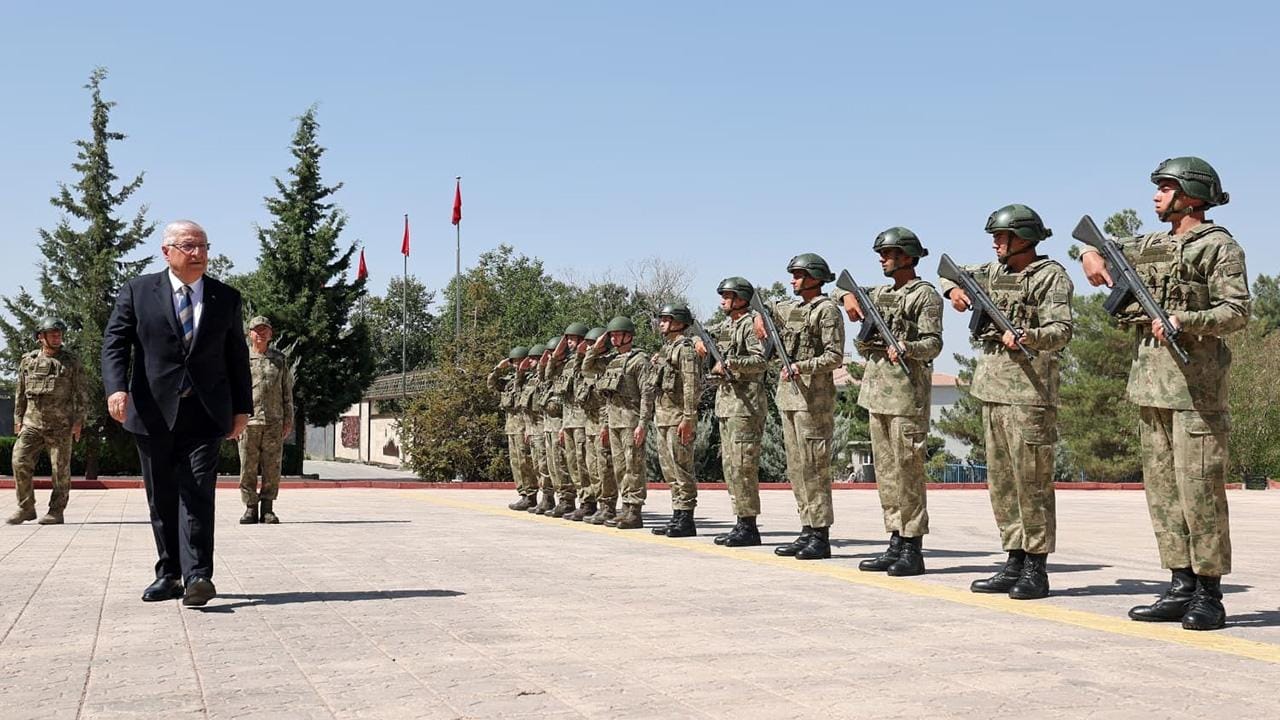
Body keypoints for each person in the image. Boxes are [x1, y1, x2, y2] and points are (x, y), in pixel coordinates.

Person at [1081, 157, 1250, 631]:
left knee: (1199, 492)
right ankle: (1180, 585)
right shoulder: (1151, 244)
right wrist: (1089, 257)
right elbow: (1097, 250)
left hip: (1196, 390)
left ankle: (1210, 594)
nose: (1156, 195)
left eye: (1166, 187)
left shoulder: (1219, 247)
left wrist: (1185, 320)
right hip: (1150, 385)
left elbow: (1237, 310)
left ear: (1191, 196)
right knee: (1162, 494)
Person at [102, 220, 252, 607]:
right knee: (162, 496)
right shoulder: (138, 291)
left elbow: (237, 357)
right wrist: (116, 388)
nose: (198, 253)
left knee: (198, 491)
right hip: (152, 411)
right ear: (167, 251)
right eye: (189, 246)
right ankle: (168, 574)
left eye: (203, 246)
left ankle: (199, 574)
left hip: (204, 413)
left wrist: (241, 409)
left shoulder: (226, 297)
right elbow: (115, 343)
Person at [940, 205, 1073, 600]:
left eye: (1003, 236)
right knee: (1001, 483)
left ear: (1025, 239)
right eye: (995, 237)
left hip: (1030, 395)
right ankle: (1013, 557)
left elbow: (1062, 330)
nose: (996, 242)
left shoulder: (1050, 277)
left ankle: (1036, 566)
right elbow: (946, 270)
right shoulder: (992, 273)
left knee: (1031, 482)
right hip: (992, 390)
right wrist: (955, 291)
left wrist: (1030, 336)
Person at [833, 228, 943, 576]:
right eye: (881, 253)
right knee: (887, 475)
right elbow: (841, 285)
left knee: (908, 473)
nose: (883, 258)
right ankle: (894, 540)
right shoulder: (879, 293)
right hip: (876, 395)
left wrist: (907, 347)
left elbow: (933, 343)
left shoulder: (924, 295)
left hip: (907, 396)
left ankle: (912, 546)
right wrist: (846, 298)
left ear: (908, 256)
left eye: (889, 252)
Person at [755, 254, 846, 560]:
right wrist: (759, 317)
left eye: (798, 275)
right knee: (796, 468)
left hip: (813, 401)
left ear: (814, 277)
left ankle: (820, 535)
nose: (792, 280)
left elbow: (835, 356)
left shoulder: (827, 310)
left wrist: (802, 366)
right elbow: (764, 306)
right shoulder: (792, 308)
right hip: (789, 398)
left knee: (814, 468)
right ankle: (806, 528)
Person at [695, 278, 767, 547]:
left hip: (746, 405)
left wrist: (729, 363)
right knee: (731, 467)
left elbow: (761, 361)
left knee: (743, 466)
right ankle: (740, 521)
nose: (722, 300)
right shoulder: (727, 325)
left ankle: (749, 525)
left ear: (741, 298)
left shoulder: (750, 324)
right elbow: (704, 333)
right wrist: (697, 341)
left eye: (727, 295)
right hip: (727, 405)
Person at [7, 317, 88, 525]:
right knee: (19, 460)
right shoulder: (28, 361)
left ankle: (56, 511)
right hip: (32, 423)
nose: (57, 336)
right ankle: (26, 507)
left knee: (60, 470)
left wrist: (78, 421)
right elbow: (20, 393)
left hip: (61, 426)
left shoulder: (71, 361)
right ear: (40, 337)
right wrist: (18, 419)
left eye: (59, 333)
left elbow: (82, 393)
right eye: (52, 333)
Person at [584, 316, 650, 529]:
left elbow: (647, 395)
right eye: (610, 335)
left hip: (631, 421)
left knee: (634, 466)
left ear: (628, 336)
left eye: (616, 334)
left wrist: (643, 423)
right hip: (613, 421)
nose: (612, 339)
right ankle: (625, 508)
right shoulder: (611, 361)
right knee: (620, 467)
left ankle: (634, 511)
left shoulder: (639, 361)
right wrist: (597, 345)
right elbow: (587, 367)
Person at [646, 304, 702, 538]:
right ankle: (677, 514)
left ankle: (686, 518)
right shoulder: (668, 349)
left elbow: (691, 385)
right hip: (664, 417)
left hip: (678, 417)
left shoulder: (685, 350)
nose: (661, 323)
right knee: (670, 470)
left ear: (679, 322)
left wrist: (689, 417)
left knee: (682, 469)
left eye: (667, 319)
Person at [237, 316, 294, 525]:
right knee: (247, 467)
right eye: (256, 330)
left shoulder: (279, 360)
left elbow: (286, 391)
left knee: (272, 467)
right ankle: (250, 508)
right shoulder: (242, 359)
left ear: (271, 334)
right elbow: (235, 390)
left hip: (273, 422)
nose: (260, 333)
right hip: (248, 422)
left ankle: (268, 508)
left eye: (265, 330)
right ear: (249, 334)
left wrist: (289, 419)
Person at [575, 327, 619, 524]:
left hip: (604, 419)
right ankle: (600, 505)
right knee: (593, 466)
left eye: (594, 343)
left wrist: (598, 346)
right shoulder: (596, 365)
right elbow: (585, 367)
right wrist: (590, 350)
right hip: (590, 422)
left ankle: (608, 506)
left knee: (605, 467)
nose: (590, 347)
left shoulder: (609, 363)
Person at [489, 346, 537, 510]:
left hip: (523, 426)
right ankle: (523, 493)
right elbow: (491, 384)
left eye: (519, 362)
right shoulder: (509, 380)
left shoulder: (529, 379)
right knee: (516, 463)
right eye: (514, 362)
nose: (516, 365)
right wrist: (498, 369)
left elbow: (520, 395)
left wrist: (521, 373)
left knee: (525, 462)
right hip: (511, 427)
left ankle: (531, 495)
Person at [553, 323, 590, 518]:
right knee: (572, 465)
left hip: (582, 420)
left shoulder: (588, 360)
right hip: (568, 420)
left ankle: (587, 501)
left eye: (573, 339)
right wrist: (557, 352)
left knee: (583, 464)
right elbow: (547, 374)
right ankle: (579, 500)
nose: (569, 342)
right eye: (567, 339)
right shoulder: (565, 362)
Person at [539, 335, 575, 517]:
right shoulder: (556, 371)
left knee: (563, 465)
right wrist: (551, 359)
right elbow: (544, 377)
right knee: (552, 465)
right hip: (551, 425)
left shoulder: (571, 366)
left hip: (563, 422)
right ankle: (561, 498)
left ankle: (568, 500)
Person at [518, 345, 552, 514]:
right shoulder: (529, 379)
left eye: (532, 358)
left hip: (541, 427)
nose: (528, 361)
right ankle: (537, 497)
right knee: (535, 465)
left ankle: (548, 498)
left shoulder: (542, 377)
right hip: (532, 428)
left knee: (544, 465)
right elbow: (520, 397)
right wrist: (520, 373)